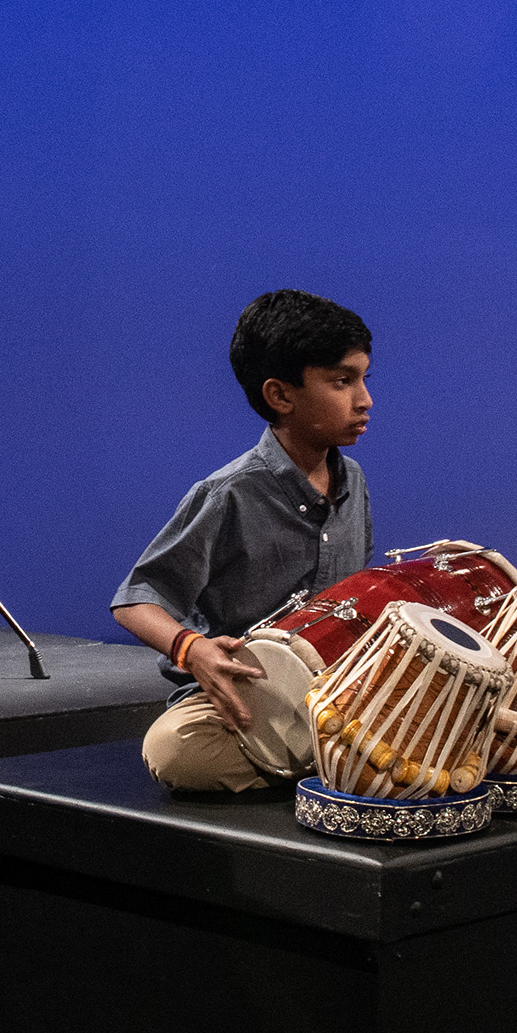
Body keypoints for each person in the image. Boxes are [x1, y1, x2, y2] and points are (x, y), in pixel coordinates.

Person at [111, 290, 376, 793]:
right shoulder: (229, 492)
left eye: (364, 378)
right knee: (175, 751)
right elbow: (136, 600)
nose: (364, 400)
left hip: (339, 689)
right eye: (343, 381)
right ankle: (331, 761)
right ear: (280, 395)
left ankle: (311, 758)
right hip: (254, 695)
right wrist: (193, 650)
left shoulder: (353, 479)